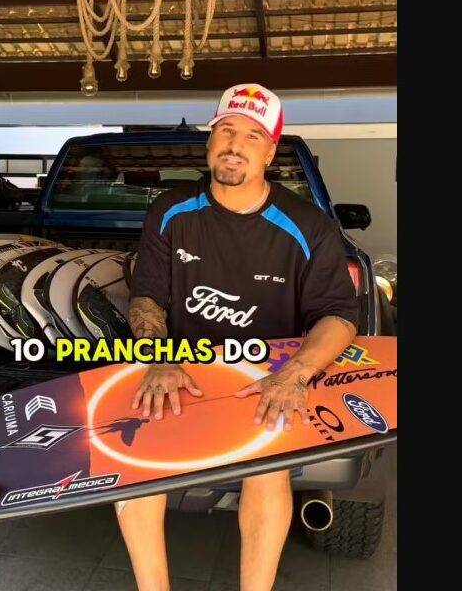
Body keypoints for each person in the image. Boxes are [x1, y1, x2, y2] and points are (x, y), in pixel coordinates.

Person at [120, 83, 360, 591]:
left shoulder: (307, 225)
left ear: (270, 151)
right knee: (134, 459)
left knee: (268, 466)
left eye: (252, 136)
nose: (235, 144)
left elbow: (339, 314)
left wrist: (292, 376)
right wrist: (159, 357)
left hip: (269, 370)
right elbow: (146, 298)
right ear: (210, 142)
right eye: (226, 130)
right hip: (185, 364)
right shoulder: (171, 210)